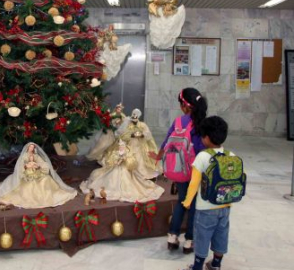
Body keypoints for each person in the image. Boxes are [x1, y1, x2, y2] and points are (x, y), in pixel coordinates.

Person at [149, 88, 208, 253]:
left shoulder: (178, 122)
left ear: (184, 106)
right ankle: (190, 241)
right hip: (197, 171)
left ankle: (172, 237)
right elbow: (204, 148)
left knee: (182, 201)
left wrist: (158, 156)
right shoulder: (202, 123)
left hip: (180, 170)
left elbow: (167, 142)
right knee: (194, 205)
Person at [182, 116, 232, 270]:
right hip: (225, 206)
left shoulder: (202, 157)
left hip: (205, 208)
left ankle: (197, 266)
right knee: (221, 235)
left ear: (207, 138)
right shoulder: (231, 155)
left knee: (202, 236)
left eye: (202, 135)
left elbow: (194, 183)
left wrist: (187, 202)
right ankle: (216, 264)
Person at [0, 142, 77, 208]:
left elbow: (43, 163)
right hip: (27, 174)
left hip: (36, 173)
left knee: (46, 179)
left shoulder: (36, 156)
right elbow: (20, 166)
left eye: (32, 147)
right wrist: (26, 166)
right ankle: (28, 198)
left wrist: (38, 165)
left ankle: (46, 197)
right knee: (27, 184)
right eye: (30, 147)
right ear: (27, 148)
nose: (31, 149)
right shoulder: (24, 156)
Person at [80, 138, 164, 203]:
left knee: (126, 179)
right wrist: (117, 160)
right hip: (116, 168)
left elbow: (131, 162)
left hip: (124, 169)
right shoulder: (117, 152)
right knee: (111, 177)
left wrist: (125, 159)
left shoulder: (128, 152)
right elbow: (113, 160)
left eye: (122, 147)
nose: (121, 148)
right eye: (120, 147)